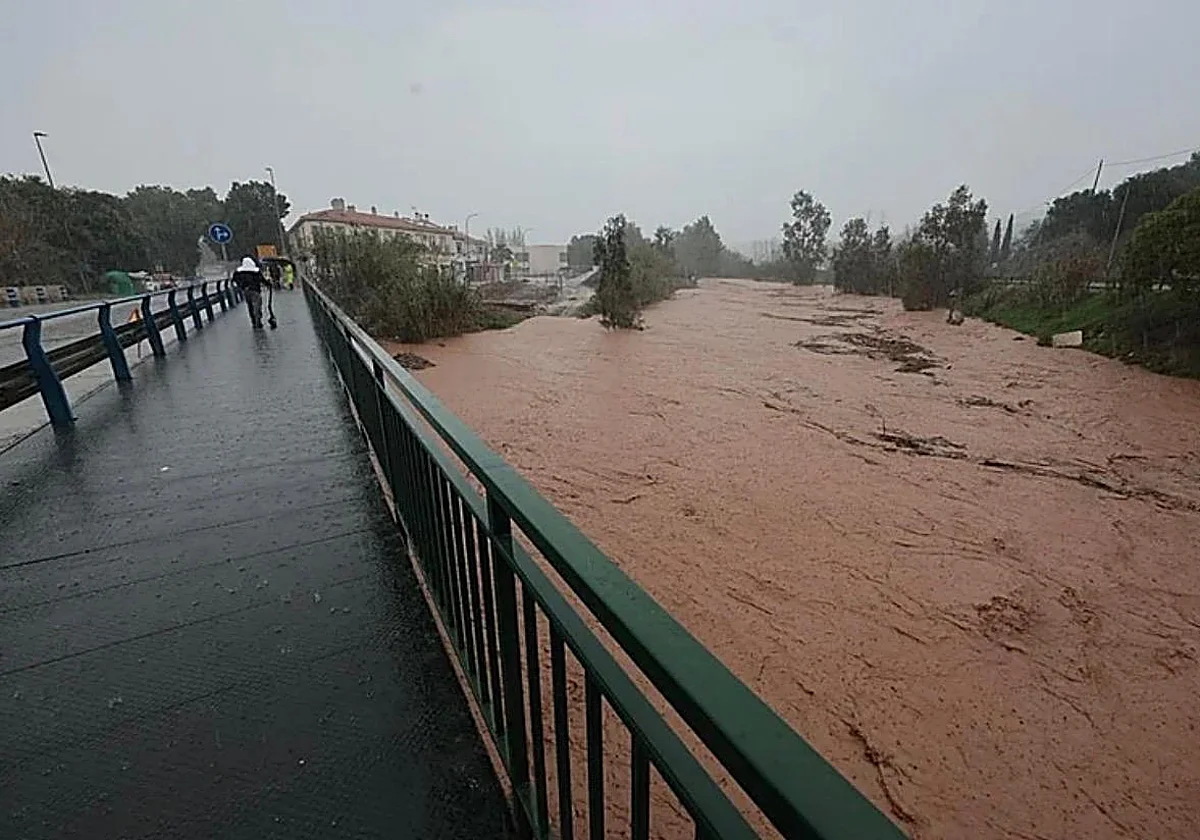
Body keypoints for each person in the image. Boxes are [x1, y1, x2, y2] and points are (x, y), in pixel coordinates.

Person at [232, 257, 268, 329]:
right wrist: (268, 284)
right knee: (257, 305)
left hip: (246, 291)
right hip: (255, 290)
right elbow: (262, 279)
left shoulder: (239, 272)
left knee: (250, 306)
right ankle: (258, 319)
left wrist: (241, 286)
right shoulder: (256, 271)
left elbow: (234, 280)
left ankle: (253, 321)